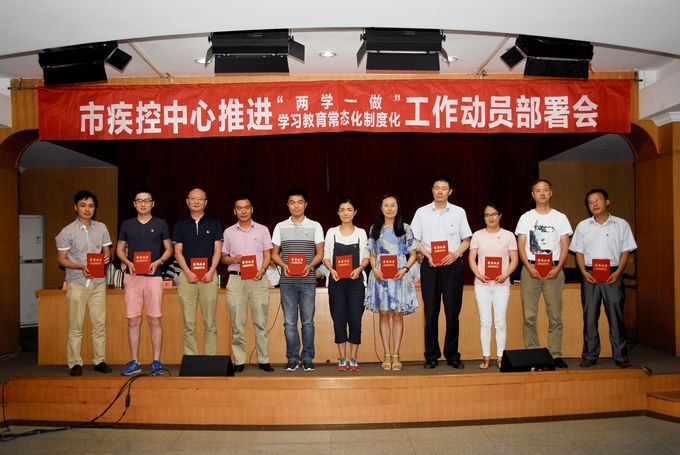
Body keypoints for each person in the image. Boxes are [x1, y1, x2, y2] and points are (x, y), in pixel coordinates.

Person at [570, 189, 637, 368]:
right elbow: (578, 252)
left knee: (616, 317)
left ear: (607, 202)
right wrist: (583, 271)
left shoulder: (621, 224)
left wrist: (618, 272)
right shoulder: (583, 226)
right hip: (590, 275)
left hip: (613, 274)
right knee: (590, 316)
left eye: (598, 200)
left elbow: (625, 251)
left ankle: (621, 356)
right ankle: (590, 355)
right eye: (590, 202)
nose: (594, 204)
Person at [411, 176, 472, 369]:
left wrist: (455, 254)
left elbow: (467, 239)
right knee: (431, 313)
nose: (439, 191)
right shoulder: (421, 212)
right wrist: (427, 255)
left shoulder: (459, 212)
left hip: (452, 266)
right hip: (430, 265)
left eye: (444, 188)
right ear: (432, 190)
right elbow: (414, 239)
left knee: (452, 313)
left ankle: (453, 355)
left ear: (450, 191)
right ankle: (431, 355)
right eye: (436, 187)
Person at [515, 179, 572, 368]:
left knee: (555, 316)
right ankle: (533, 353)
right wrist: (529, 267)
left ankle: (555, 354)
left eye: (545, 190)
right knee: (529, 316)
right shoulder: (526, 217)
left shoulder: (560, 217)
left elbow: (565, 245)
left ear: (551, 193)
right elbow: (521, 245)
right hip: (530, 269)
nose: (542, 193)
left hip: (554, 269)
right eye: (538, 190)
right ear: (533, 195)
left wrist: (558, 268)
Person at [55, 190, 113, 376]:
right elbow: (61, 260)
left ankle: (99, 360)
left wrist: (106, 257)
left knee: (99, 324)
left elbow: (107, 251)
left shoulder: (102, 228)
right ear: (76, 207)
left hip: (98, 282)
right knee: (76, 325)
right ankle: (74, 363)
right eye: (83, 205)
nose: (87, 209)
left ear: (95, 208)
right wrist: (81, 266)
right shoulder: (67, 232)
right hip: (77, 283)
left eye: (91, 206)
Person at [116, 189, 173, 376]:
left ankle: (156, 362)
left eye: (146, 200)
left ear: (152, 203)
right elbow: (119, 249)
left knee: (154, 319)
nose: (143, 204)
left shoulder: (161, 223)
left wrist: (158, 262)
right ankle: (135, 361)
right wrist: (128, 263)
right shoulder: (127, 224)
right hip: (133, 277)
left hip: (154, 277)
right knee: (133, 320)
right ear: (134, 204)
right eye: (139, 201)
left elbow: (169, 249)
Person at [271, 188, 324, 372]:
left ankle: (307, 357)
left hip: (308, 281)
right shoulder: (280, 226)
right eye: (292, 202)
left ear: (305, 204)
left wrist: (310, 266)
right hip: (287, 282)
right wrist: (283, 265)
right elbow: (274, 254)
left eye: (299, 202)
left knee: (308, 322)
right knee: (289, 323)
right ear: (287, 205)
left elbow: (320, 254)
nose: (296, 206)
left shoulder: (316, 226)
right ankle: (292, 358)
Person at [221, 195, 275, 373]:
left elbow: (268, 254)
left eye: (246, 207)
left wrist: (263, 269)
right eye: (239, 208)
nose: (243, 211)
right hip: (236, 280)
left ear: (252, 209)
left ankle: (264, 360)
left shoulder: (262, 230)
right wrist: (232, 259)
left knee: (261, 322)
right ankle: (239, 360)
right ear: (234, 211)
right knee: (238, 323)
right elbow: (223, 258)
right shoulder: (228, 232)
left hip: (258, 279)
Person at [364, 194, 418, 371]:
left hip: (400, 275)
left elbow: (413, 254)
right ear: (381, 208)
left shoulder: (405, 228)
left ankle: (396, 355)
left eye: (393, 205)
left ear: (397, 207)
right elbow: (372, 253)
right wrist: (374, 268)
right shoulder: (375, 228)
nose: (389, 208)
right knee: (384, 315)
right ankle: (386, 354)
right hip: (380, 275)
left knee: (397, 315)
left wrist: (405, 269)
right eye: (386, 205)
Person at [172, 188, 223, 355]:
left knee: (210, 322)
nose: (196, 201)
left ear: (205, 202)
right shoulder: (180, 225)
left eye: (200, 199)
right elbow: (177, 251)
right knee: (189, 323)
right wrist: (187, 272)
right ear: (187, 201)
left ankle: (211, 358)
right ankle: (191, 359)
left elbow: (218, 250)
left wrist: (211, 271)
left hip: (209, 275)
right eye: (193, 198)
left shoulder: (214, 224)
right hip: (187, 276)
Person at [468, 202, 519, 369]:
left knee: (500, 322)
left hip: (501, 285)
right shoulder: (477, 235)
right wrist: (478, 274)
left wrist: (505, 275)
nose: (491, 218)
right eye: (487, 215)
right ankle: (486, 357)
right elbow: (472, 259)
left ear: (500, 215)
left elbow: (514, 260)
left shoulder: (509, 235)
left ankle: (500, 357)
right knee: (485, 322)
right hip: (482, 284)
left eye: (494, 214)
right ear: (483, 218)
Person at [322, 197, 369, 371]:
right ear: (338, 213)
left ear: (355, 212)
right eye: (342, 210)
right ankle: (342, 358)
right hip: (336, 282)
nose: (346, 213)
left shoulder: (361, 232)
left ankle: (353, 358)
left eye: (349, 209)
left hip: (356, 281)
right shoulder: (331, 232)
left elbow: (366, 256)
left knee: (355, 319)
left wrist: (360, 268)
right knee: (339, 319)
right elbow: (326, 255)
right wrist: (331, 270)